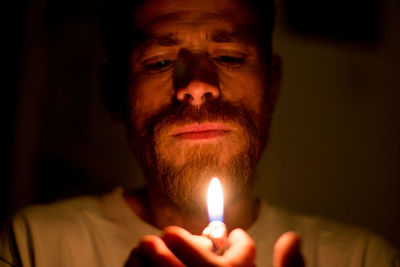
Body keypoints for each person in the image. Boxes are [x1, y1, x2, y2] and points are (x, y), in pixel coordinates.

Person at [1, 0, 399, 266]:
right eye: (159, 62)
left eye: (229, 57)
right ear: (113, 93)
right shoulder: (33, 245)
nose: (197, 84)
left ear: (272, 85)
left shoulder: (361, 258)